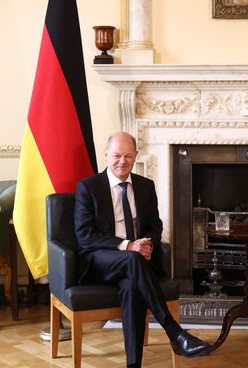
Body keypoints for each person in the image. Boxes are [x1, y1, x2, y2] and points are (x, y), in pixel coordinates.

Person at [75, 132, 210, 368]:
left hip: (135, 261)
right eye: (117, 155)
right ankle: (174, 332)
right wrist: (128, 246)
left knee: (131, 287)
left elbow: (154, 224)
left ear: (136, 156)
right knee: (133, 260)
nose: (122, 161)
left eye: (128, 156)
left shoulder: (145, 186)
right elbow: (85, 234)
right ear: (106, 155)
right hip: (99, 259)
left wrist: (149, 244)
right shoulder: (89, 187)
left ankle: (133, 365)